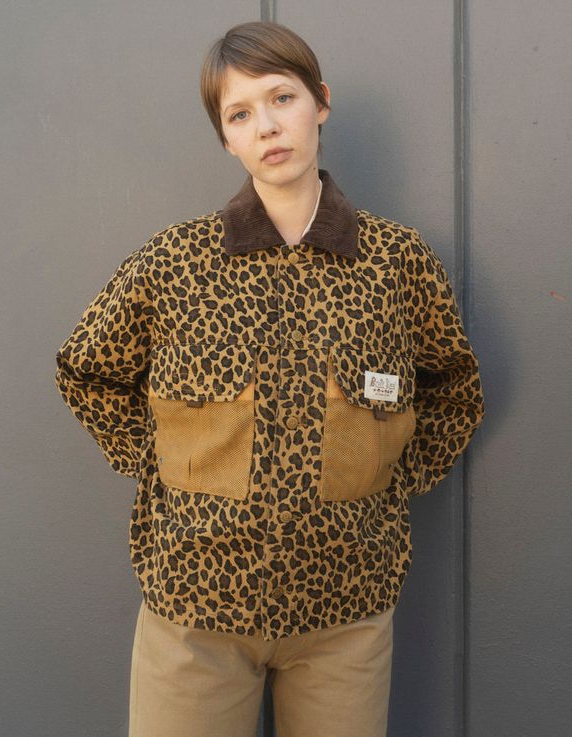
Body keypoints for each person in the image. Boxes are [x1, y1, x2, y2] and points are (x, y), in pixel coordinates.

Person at [54, 20, 485, 737]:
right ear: (226, 139)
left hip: (346, 610)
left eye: (282, 98)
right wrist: (161, 466)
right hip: (195, 609)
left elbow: (454, 386)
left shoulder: (395, 262)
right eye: (240, 114)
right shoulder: (175, 262)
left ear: (320, 102)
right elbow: (86, 370)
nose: (267, 126)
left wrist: (389, 477)